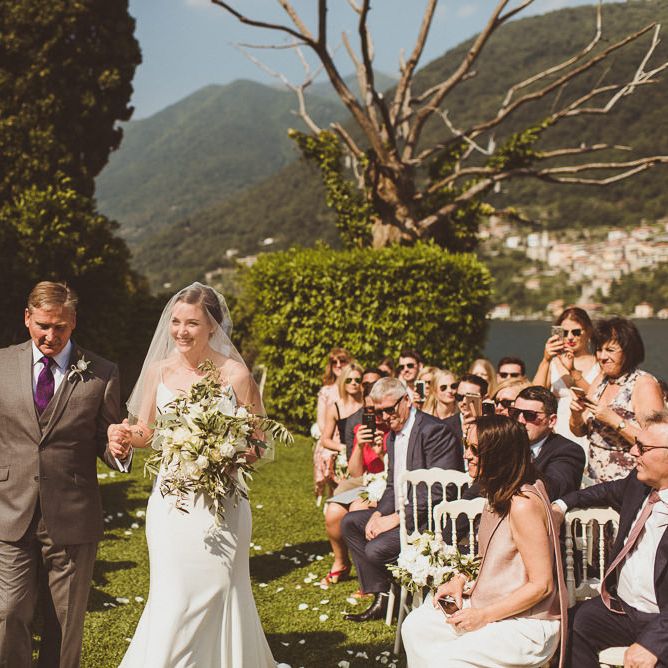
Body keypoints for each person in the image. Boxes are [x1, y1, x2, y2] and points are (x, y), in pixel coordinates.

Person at [114, 283, 275, 667]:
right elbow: (146, 432)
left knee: (220, 586)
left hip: (222, 503)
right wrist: (122, 435)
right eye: (176, 322)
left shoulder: (236, 374)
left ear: (212, 327)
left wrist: (225, 452)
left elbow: (259, 443)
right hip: (172, 503)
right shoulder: (158, 371)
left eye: (192, 323)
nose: (181, 331)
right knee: (174, 593)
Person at [0, 281, 128, 668]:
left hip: (73, 514)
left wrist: (118, 448)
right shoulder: (2, 364)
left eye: (60, 327)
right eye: (43, 325)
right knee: (9, 612)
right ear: (27, 318)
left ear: (74, 322)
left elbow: (106, 440)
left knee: (64, 621)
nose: (50, 336)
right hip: (9, 509)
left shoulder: (102, 373)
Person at [402, 415, 566, 667]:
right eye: (466, 446)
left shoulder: (523, 505)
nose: (466, 455)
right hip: (491, 602)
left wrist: (483, 616)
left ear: (500, 455)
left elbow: (541, 585)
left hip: (526, 623)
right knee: (416, 627)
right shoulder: (498, 492)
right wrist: (459, 580)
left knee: (447, 660)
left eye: (475, 450)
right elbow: (491, 556)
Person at [341, 377, 465, 622]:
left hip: (430, 520)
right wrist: (378, 514)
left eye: (390, 409)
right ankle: (382, 593)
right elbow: (392, 485)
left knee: (376, 549)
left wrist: (396, 518)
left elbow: (440, 491)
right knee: (351, 522)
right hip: (403, 513)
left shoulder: (434, 431)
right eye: (379, 412)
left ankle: (399, 591)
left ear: (406, 400)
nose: (385, 417)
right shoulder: (392, 436)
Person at [552, 410, 668, 668]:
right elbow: (603, 491)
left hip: (662, 620)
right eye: (636, 443)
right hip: (622, 610)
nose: (633, 452)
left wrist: (655, 642)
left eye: (643, 447)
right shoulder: (639, 484)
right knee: (574, 624)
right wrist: (560, 505)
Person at [570, 317, 664, 483]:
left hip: (627, 484)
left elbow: (657, 443)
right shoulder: (602, 379)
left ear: (628, 351)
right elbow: (580, 431)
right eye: (599, 350)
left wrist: (615, 421)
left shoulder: (643, 384)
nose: (602, 357)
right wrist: (576, 415)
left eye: (610, 350)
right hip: (594, 480)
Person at [321, 386, 389, 588]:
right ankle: (341, 562)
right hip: (366, 481)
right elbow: (355, 472)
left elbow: (393, 471)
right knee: (333, 511)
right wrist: (359, 446)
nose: (376, 415)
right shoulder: (360, 429)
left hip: (387, 483)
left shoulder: (394, 429)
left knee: (357, 509)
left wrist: (382, 454)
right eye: (369, 410)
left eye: (380, 410)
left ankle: (369, 577)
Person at [533, 307, 599, 448]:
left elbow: (597, 397)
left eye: (576, 332)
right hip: (558, 433)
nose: (570, 337)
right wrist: (546, 359)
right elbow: (534, 395)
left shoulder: (600, 363)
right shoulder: (553, 363)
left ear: (588, 332)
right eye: (564, 332)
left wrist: (572, 370)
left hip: (589, 431)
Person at [508, 386, 585, 501]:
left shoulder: (568, 450)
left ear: (551, 421)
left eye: (530, 415)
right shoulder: (505, 442)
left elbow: (554, 490)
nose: (520, 420)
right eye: (515, 413)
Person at [313, 347, 351, 501]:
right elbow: (321, 423)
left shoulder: (354, 387)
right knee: (328, 454)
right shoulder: (326, 391)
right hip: (331, 437)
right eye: (334, 362)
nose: (338, 365)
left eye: (342, 361)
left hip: (350, 435)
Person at [320, 362, 364, 462]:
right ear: (343, 382)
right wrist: (343, 448)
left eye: (357, 380)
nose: (353, 383)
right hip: (347, 457)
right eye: (349, 380)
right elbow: (325, 439)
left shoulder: (367, 405)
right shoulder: (335, 408)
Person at [443, 373, 489, 469]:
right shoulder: (444, 427)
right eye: (459, 397)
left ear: (484, 398)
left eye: (470, 398)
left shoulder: (493, 427)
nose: (464, 402)